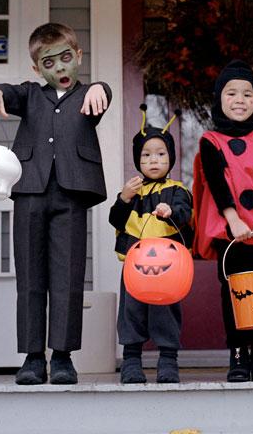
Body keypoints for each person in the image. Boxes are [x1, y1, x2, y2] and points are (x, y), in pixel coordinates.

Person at [0, 23, 111, 385]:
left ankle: (63, 356)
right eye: (49, 62)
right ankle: (33, 357)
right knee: (31, 277)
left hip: (71, 193)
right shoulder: (31, 94)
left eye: (66, 58)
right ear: (38, 69)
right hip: (31, 191)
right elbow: (8, 92)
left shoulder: (89, 95)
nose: (60, 68)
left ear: (78, 56)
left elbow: (104, 94)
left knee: (68, 276)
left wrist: (100, 86)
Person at [192, 59, 253, 382]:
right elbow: (216, 182)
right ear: (219, 99)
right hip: (231, 229)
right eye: (232, 93)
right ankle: (238, 353)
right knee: (234, 291)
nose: (240, 100)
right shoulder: (211, 141)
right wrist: (233, 219)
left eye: (247, 94)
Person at [109, 107, 193, 384]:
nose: (153, 160)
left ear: (170, 158)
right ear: (137, 159)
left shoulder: (178, 190)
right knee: (131, 311)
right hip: (135, 263)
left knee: (165, 310)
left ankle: (168, 360)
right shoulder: (132, 190)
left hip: (168, 266)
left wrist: (172, 212)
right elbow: (115, 219)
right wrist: (123, 198)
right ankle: (132, 360)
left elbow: (186, 214)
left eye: (160, 154)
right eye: (146, 155)